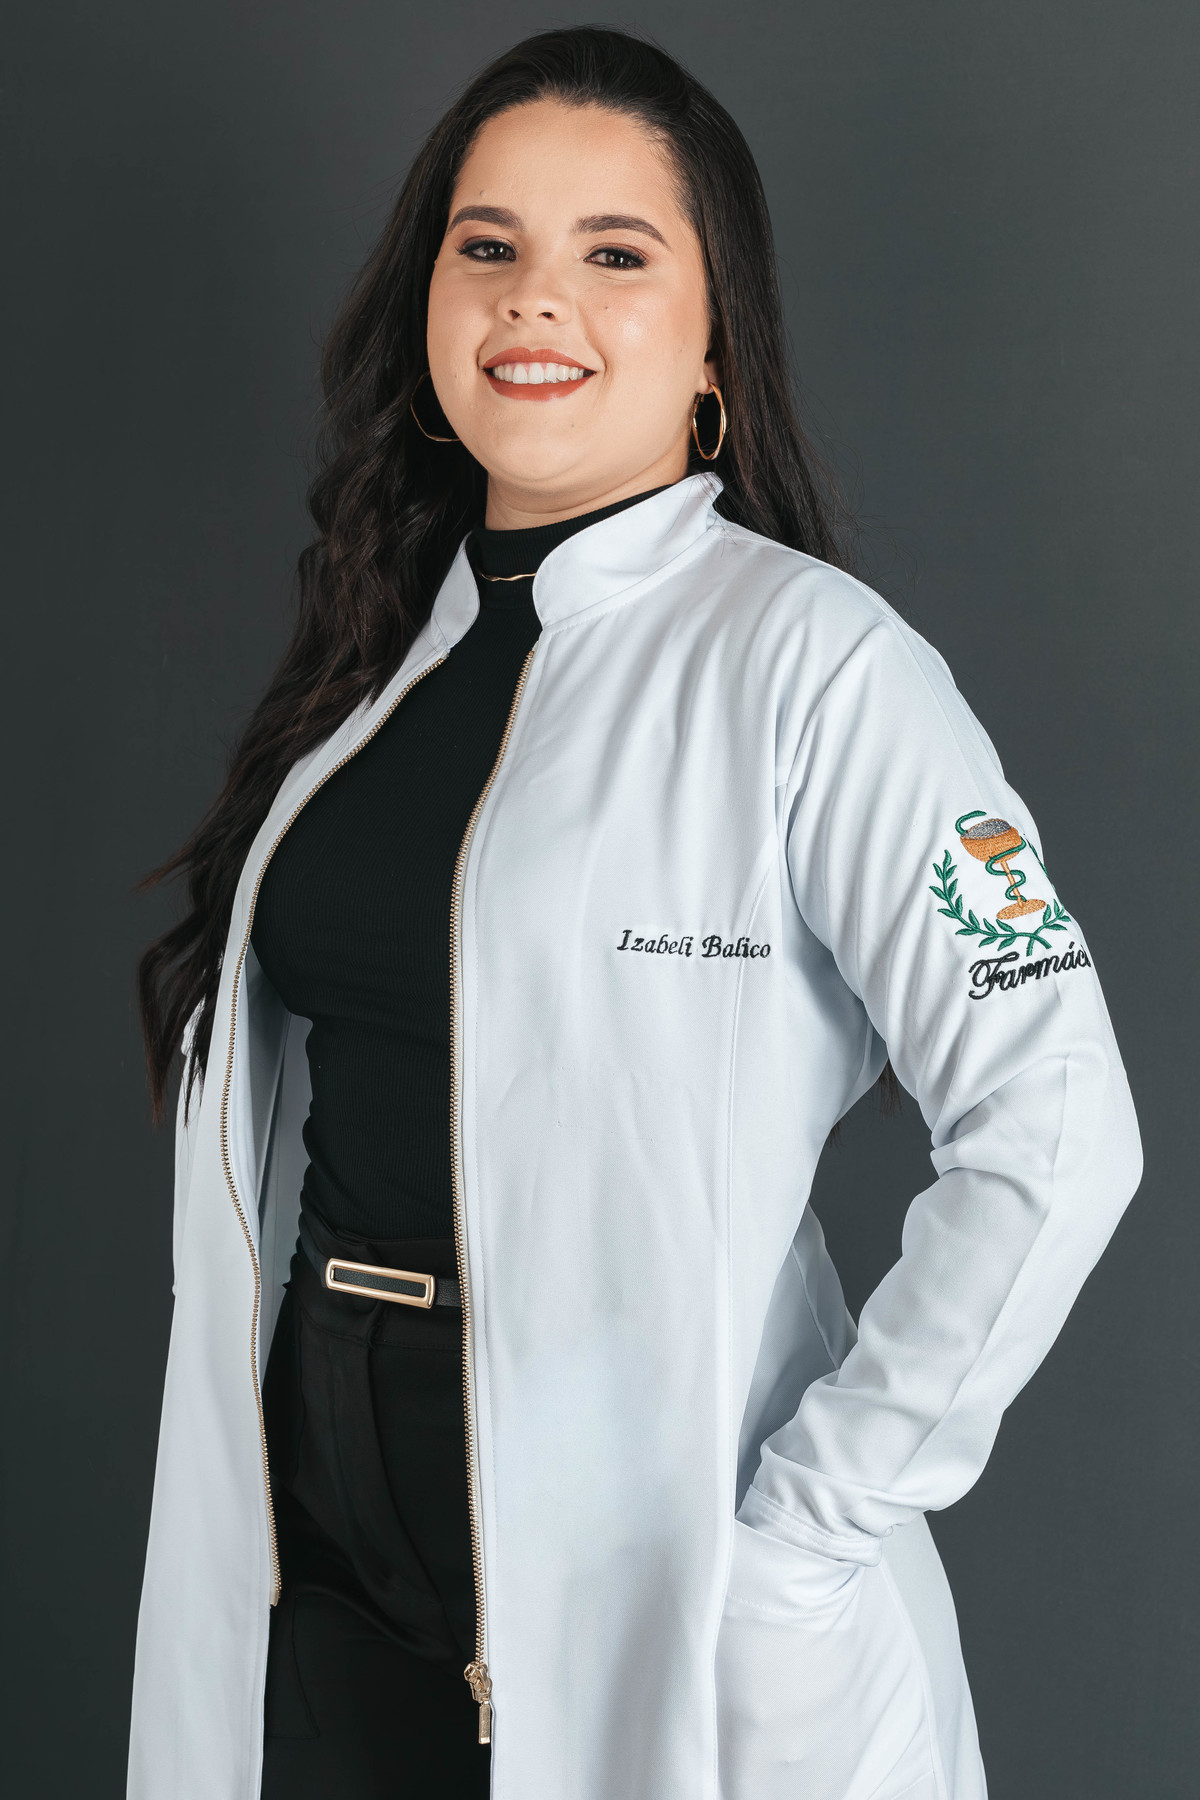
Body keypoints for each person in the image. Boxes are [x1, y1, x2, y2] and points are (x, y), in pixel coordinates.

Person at [129, 26, 1141, 1800]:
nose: (538, 298)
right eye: (490, 245)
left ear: (714, 344)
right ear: (430, 303)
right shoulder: (375, 674)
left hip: (660, 1591)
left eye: (615, 253)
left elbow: (1059, 1128)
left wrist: (804, 1541)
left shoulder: (819, 668)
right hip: (328, 1570)